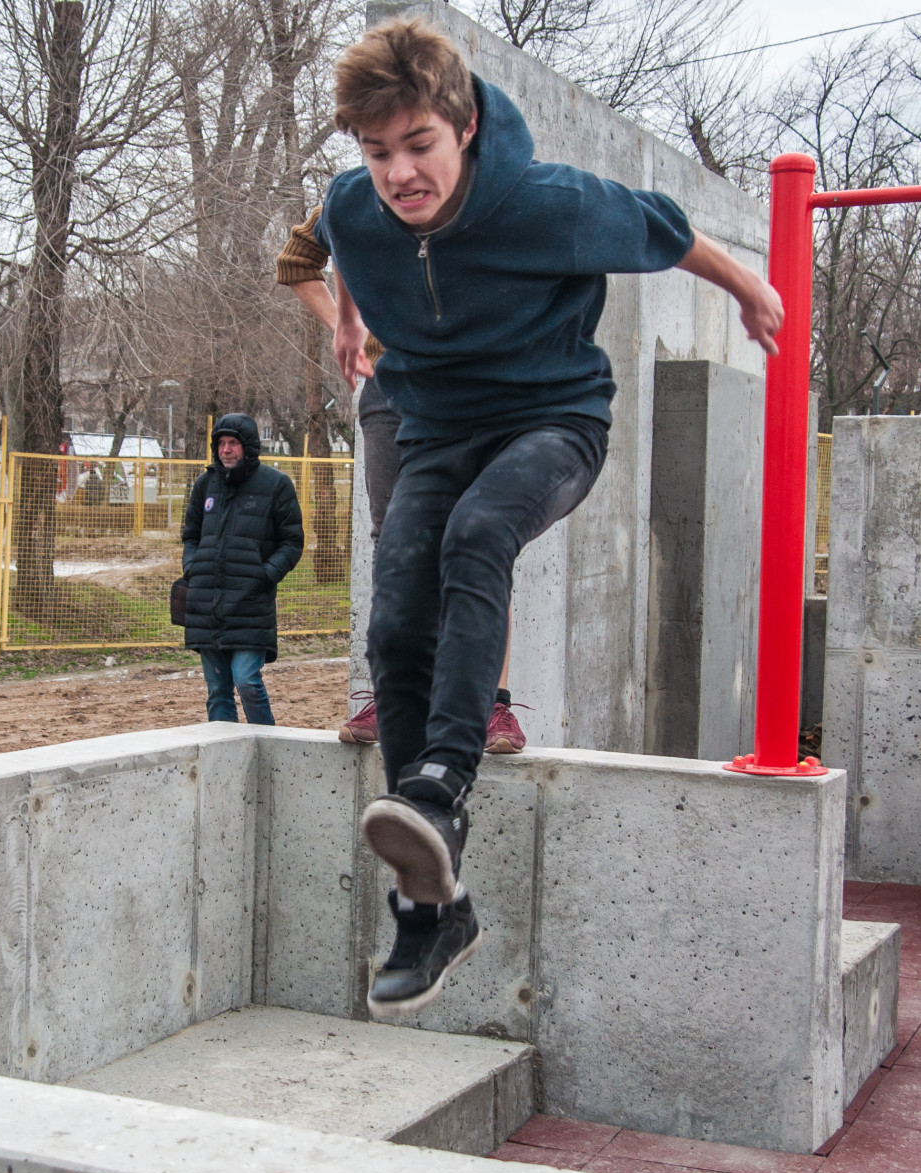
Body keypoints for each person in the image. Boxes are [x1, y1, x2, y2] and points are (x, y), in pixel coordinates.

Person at [315, 19, 782, 1017]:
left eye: (420, 147)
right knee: (395, 621)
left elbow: (666, 227)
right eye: (379, 152)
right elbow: (342, 244)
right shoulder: (355, 205)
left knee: (478, 535)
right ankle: (430, 906)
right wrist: (351, 326)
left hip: (551, 424)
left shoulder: (545, 202)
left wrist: (750, 291)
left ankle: (439, 783)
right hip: (437, 430)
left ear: (466, 126)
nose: (400, 175)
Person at [277, 209, 527, 753]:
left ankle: (492, 706)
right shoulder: (354, 199)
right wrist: (350, 326)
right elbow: (296, 263)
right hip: (390, 394)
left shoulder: (481, 191)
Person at [181, 414, 304, 725]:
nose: (226, 450)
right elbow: (190, 535)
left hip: (251, 602)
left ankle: (268, 746)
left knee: (246, 679)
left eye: (233, 443)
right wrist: (193, 567)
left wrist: (265, 575)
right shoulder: (205, 484)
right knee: (217, 689)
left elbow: (292, 542)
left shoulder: (276, 484)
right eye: (221, 444)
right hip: (206, 602)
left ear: (248, 447)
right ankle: (226, 759)